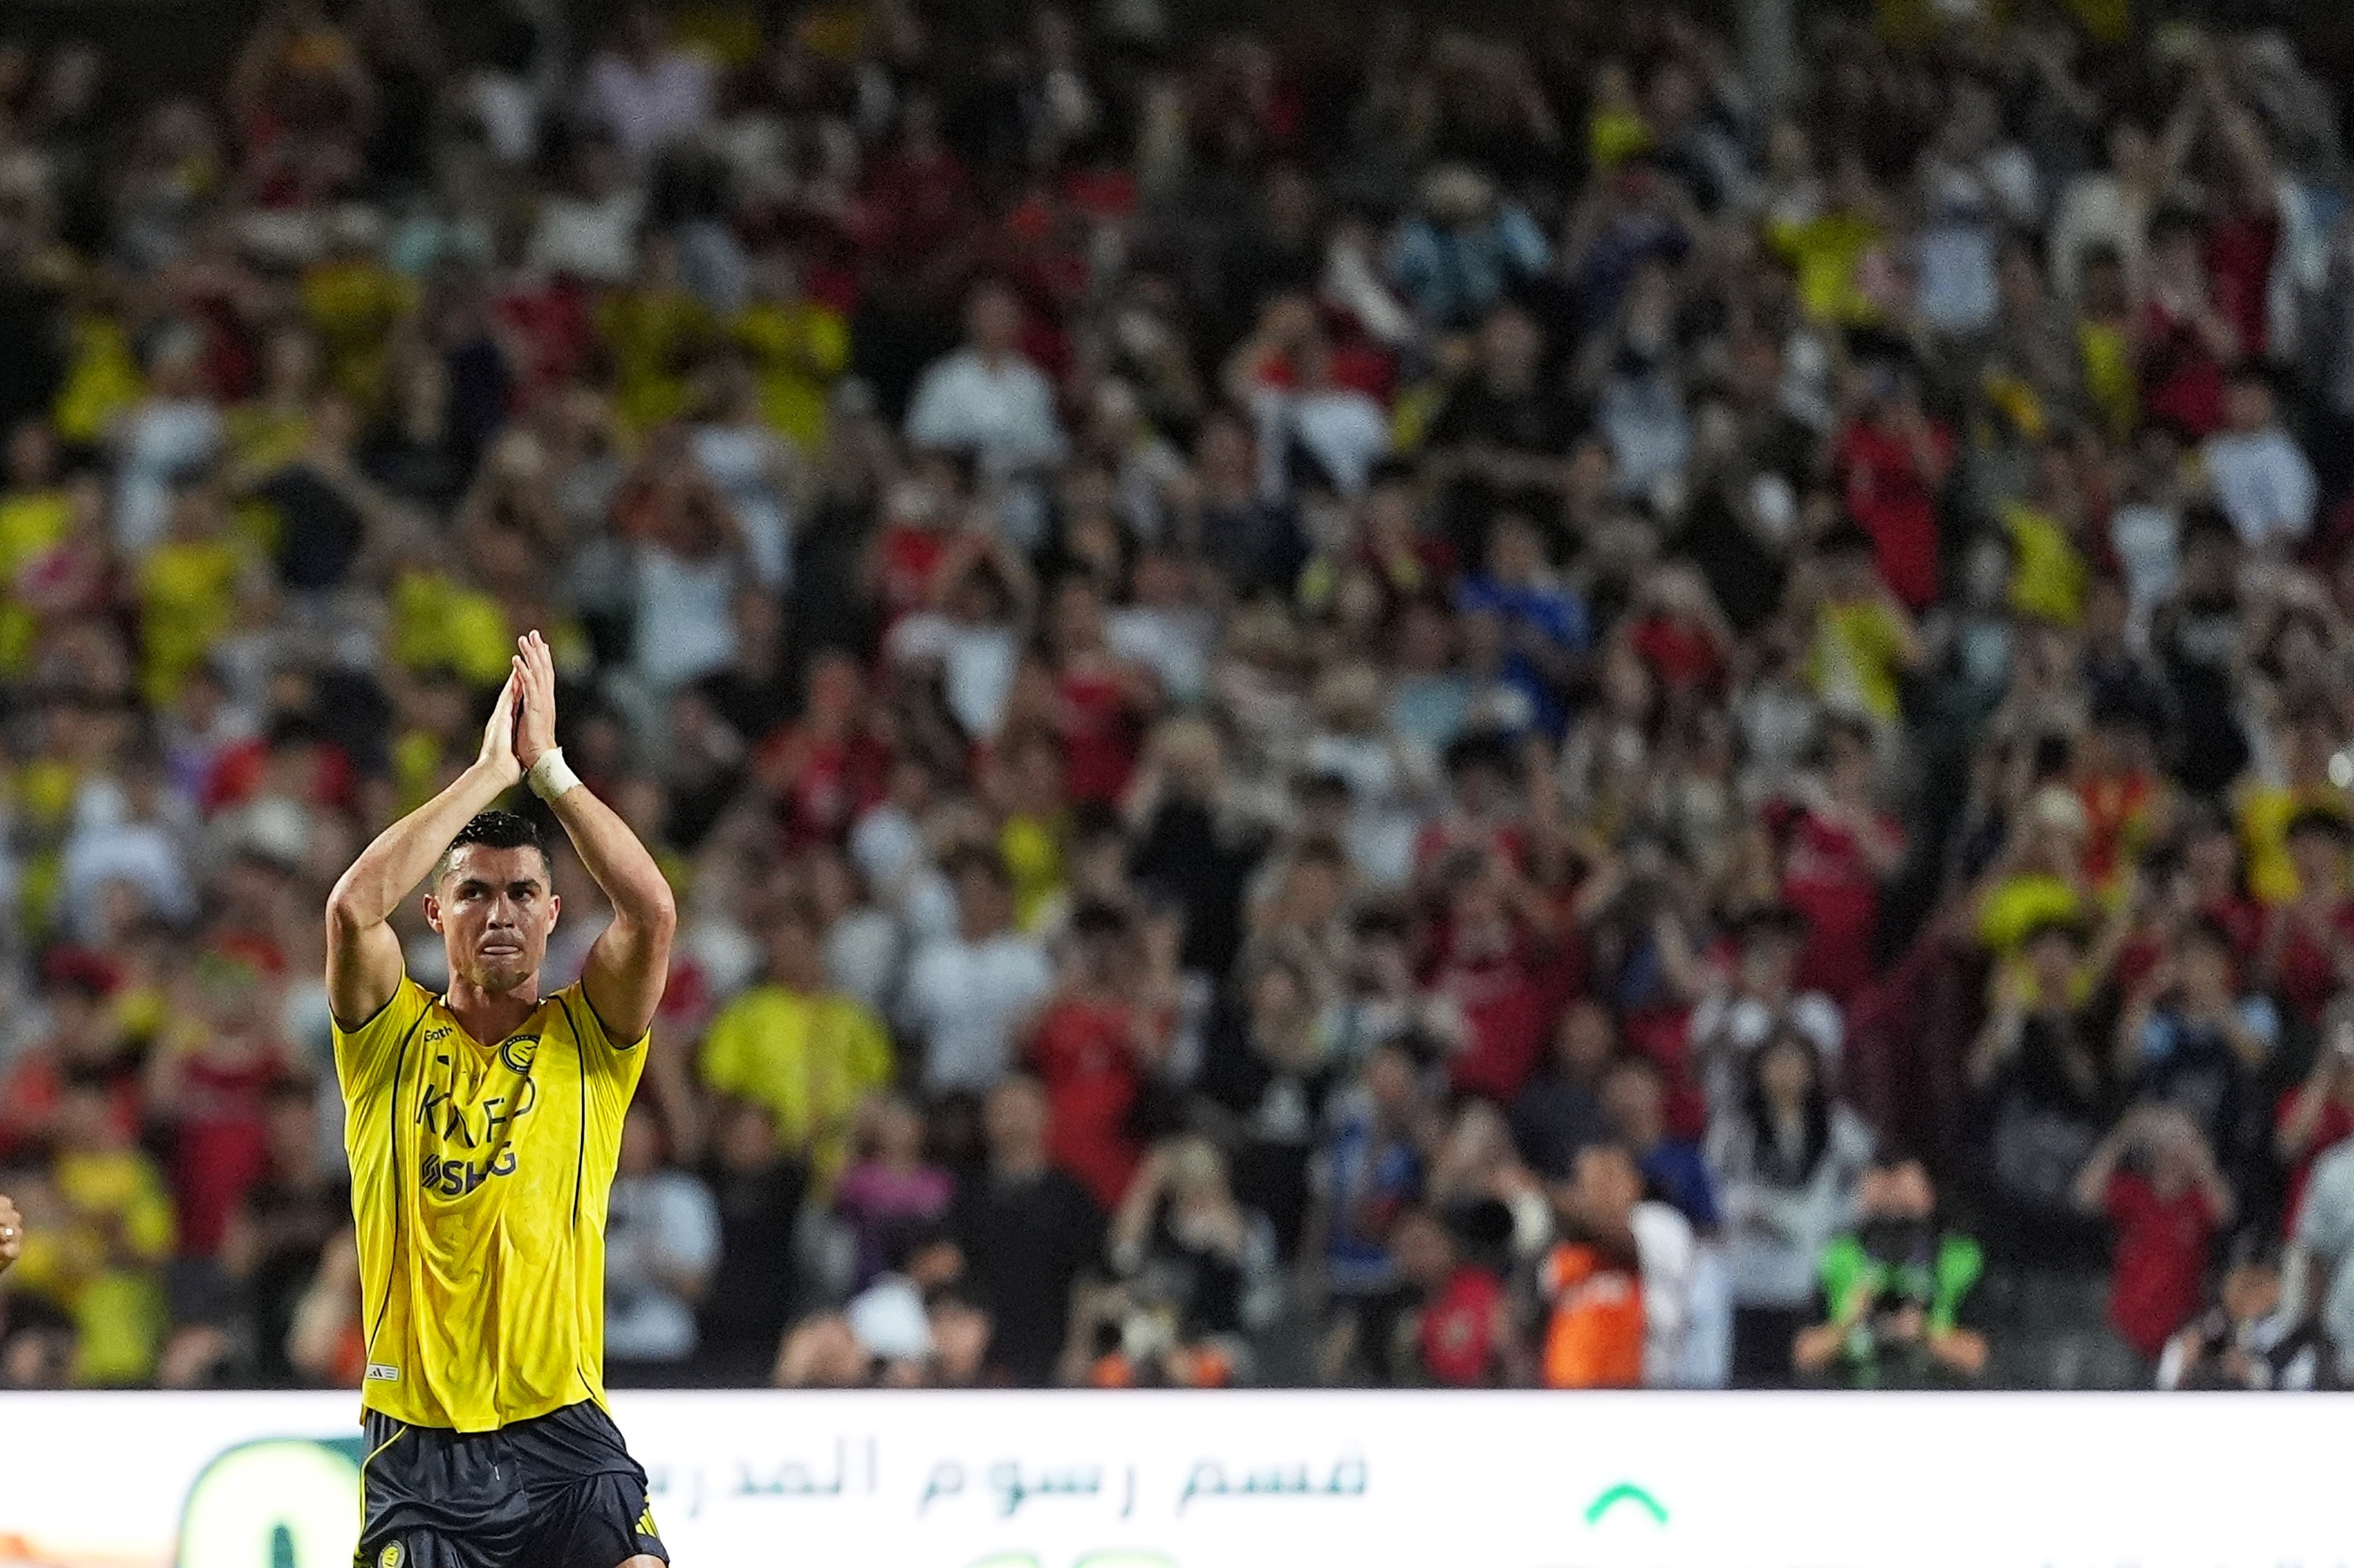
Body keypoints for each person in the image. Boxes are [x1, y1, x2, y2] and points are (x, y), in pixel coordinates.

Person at [323, 630, 678, 1568]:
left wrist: (550, 769)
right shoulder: (386, 1038)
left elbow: (649, 910)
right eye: (474, 892)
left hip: (564, 1424)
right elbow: (354, 910)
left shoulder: (588, 1035)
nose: (501, 912)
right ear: (436, 913)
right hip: (422, 1440)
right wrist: (487, 775)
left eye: (524, 891)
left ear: (554, 912)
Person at [1794, 1155, 1988, 1388]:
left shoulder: (1958, 1259)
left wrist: (1923, 1332)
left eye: (1904, 1206)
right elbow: (1804, 1354)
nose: (1893, 1216)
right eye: (1882, 1208)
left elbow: (1978, 1355)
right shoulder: (1838, 1256)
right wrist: (1850, 1323)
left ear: (1930, 1196)